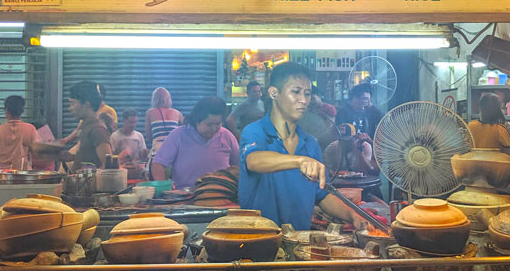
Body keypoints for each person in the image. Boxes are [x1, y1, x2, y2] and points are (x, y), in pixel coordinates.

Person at [238, 61, 359, 230]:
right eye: (295, 91)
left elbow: (321, 195)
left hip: (299, 243)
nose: (303, 100)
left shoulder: (310, 144)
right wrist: (299, 161)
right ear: (274, 93)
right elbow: (253, 161)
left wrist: (352, 215)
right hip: (257, 242)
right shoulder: (255, 132)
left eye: (307, 93)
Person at [152, 96, 239, 188]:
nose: (214, 129)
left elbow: (238, 166)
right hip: (185, 196)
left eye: (218, 124)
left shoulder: (227, 136)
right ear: (196, 120)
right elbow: (158, 164)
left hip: (221, 194)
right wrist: (164, 189)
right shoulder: (178, 135)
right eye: (209, 124)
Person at [0, 96, 39, 171]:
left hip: (3, 175)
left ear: (6, 111)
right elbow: (36, 154)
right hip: (24, 173)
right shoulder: (30, 129)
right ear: (22, 111)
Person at [66, 80, 112, 169]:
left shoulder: (97, 130)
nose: (70, 108)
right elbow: (91, 160)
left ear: (86, 104)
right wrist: (73, 158)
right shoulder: (86, 126)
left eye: (73, 103)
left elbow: (107, 164)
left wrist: (93, 181)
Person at [145, 87, 184, 151]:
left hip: (158, 149)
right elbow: (184, 132)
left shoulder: (150, 112)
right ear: (168, 98)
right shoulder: (177, 113)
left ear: (154, 99)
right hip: (174, 148)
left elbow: (148, 136)